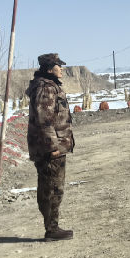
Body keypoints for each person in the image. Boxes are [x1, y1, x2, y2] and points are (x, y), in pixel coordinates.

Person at [27, 53, 76, 241]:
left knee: (53, 187)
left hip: (54, 147)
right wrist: (52, 146)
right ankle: (52, 229)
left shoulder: (49, 86)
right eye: (58, 66)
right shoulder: (46, 89)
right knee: (52, 188)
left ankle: (52, 227)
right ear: (49, 69)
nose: (61, 69)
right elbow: (44, 121)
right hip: (50, 149)